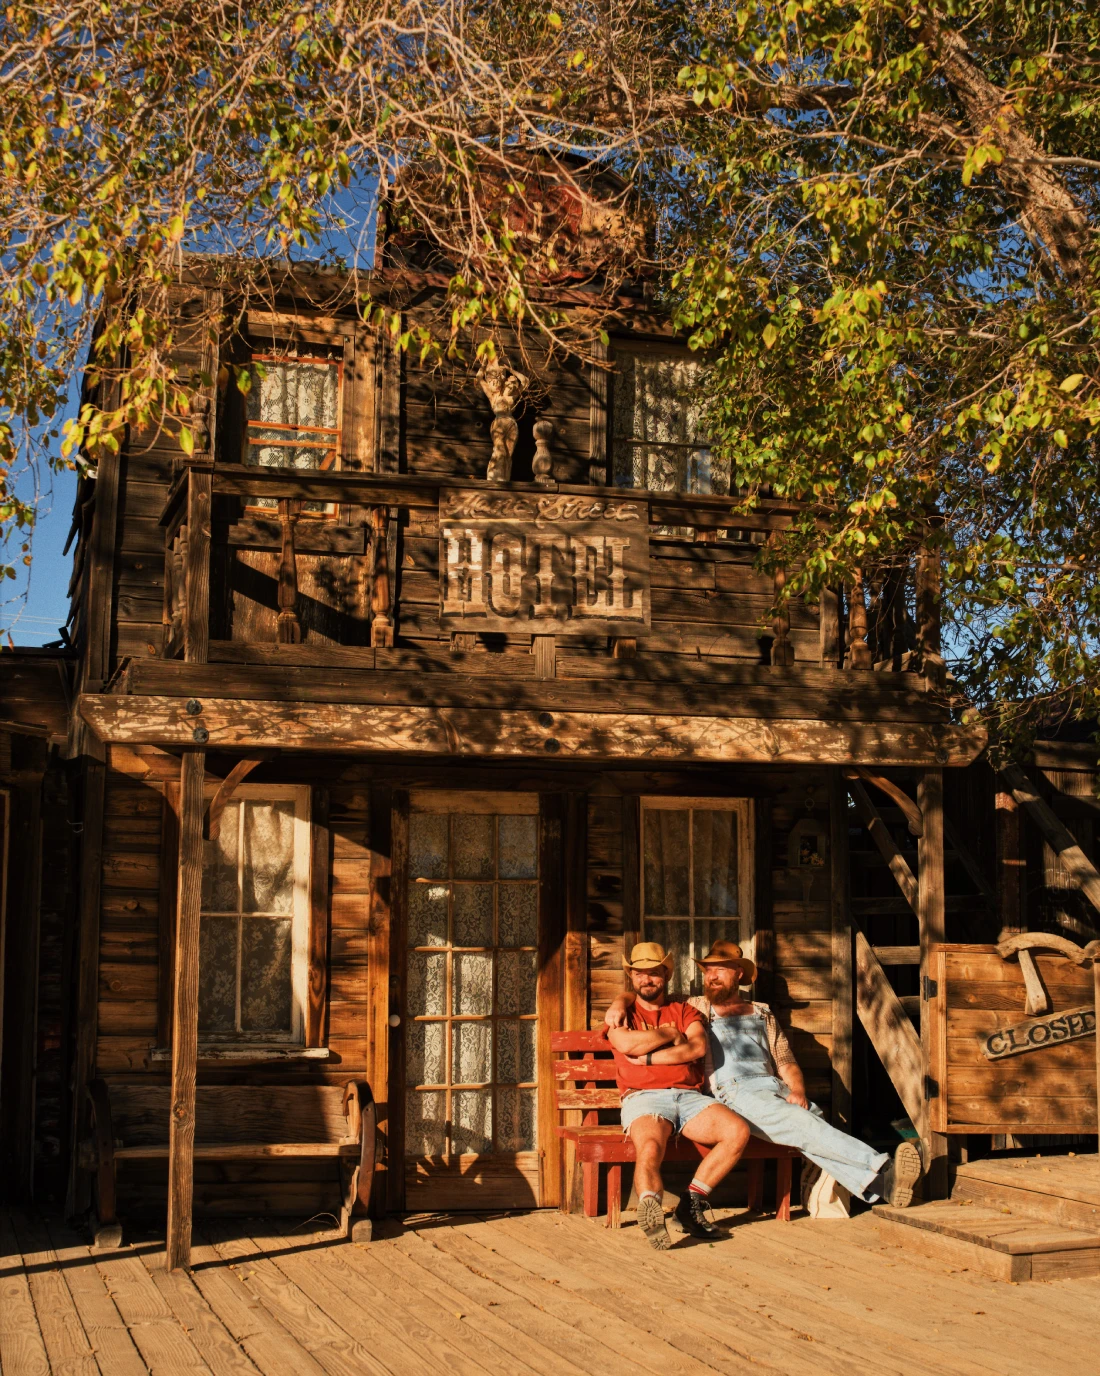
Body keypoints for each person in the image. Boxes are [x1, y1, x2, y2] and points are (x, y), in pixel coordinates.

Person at [606, 940, 924, 1210]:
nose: (712, 976)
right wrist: (619, 1001)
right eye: (707, 970)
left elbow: (785, 1061)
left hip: (771, 1085)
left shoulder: (762, 1011)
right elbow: (645, 993)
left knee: (811, 1114)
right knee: (802, 1124)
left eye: (720, 969)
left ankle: (880, 1187)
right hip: (731, 1091)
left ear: (739, 973)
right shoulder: (696, 1005)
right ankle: (884, 1171)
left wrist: (796, 1089)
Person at [603, 941, 752, 1250]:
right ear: (631, 977)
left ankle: (691, 1203)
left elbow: (697, 1048)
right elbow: (626, 1044)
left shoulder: (684, 1009)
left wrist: (648, 1056)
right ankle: (651, 1209)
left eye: (655, 973)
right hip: (643, 1097)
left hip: (690, 1097)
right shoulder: (622, 1013)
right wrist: (670, 1035)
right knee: (650, 1147)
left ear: (667, 975)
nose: (647, 980)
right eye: (640, 974)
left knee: (737, 1131)